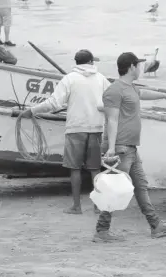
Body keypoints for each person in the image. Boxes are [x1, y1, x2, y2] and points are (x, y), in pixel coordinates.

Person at [94, 52, 166, 242]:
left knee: (140, 186)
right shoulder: (114, 91)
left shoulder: (129, 88)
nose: (141, 68)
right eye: (138, 65)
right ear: (131, 67)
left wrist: (165, 95)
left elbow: (143, 94)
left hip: (131, 147)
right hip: (121, 147)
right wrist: (111, 148)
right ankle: (102, 230)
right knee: (116, 189)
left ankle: (155, 225)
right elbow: (112, 119)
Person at [20, 50, 111, 215]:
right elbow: (111, 100)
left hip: (75, 128)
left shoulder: (69, 79)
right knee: (95, 169)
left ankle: (76, 207)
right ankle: (98, 206)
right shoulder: (102, 79)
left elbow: (54, 103)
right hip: (96, 128)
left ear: (76, 63)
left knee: (74, 168)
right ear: (91, 62)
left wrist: (32, 111)